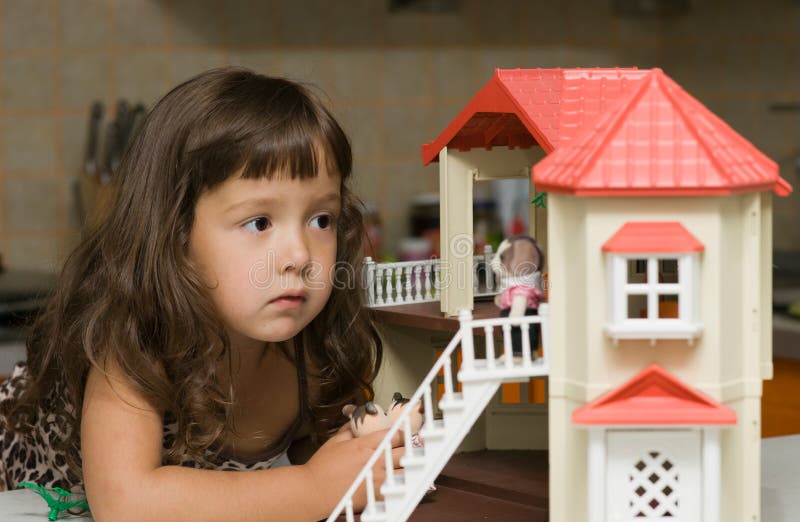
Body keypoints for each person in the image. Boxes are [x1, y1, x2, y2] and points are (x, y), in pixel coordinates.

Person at [0, 67, 403, 521]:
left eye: (321, 219)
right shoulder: (136, 338)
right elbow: (126, 504)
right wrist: (317, 486)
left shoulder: (316, 347)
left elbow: (319, 467)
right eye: (259, 223)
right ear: (176, 237)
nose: (299, 255)